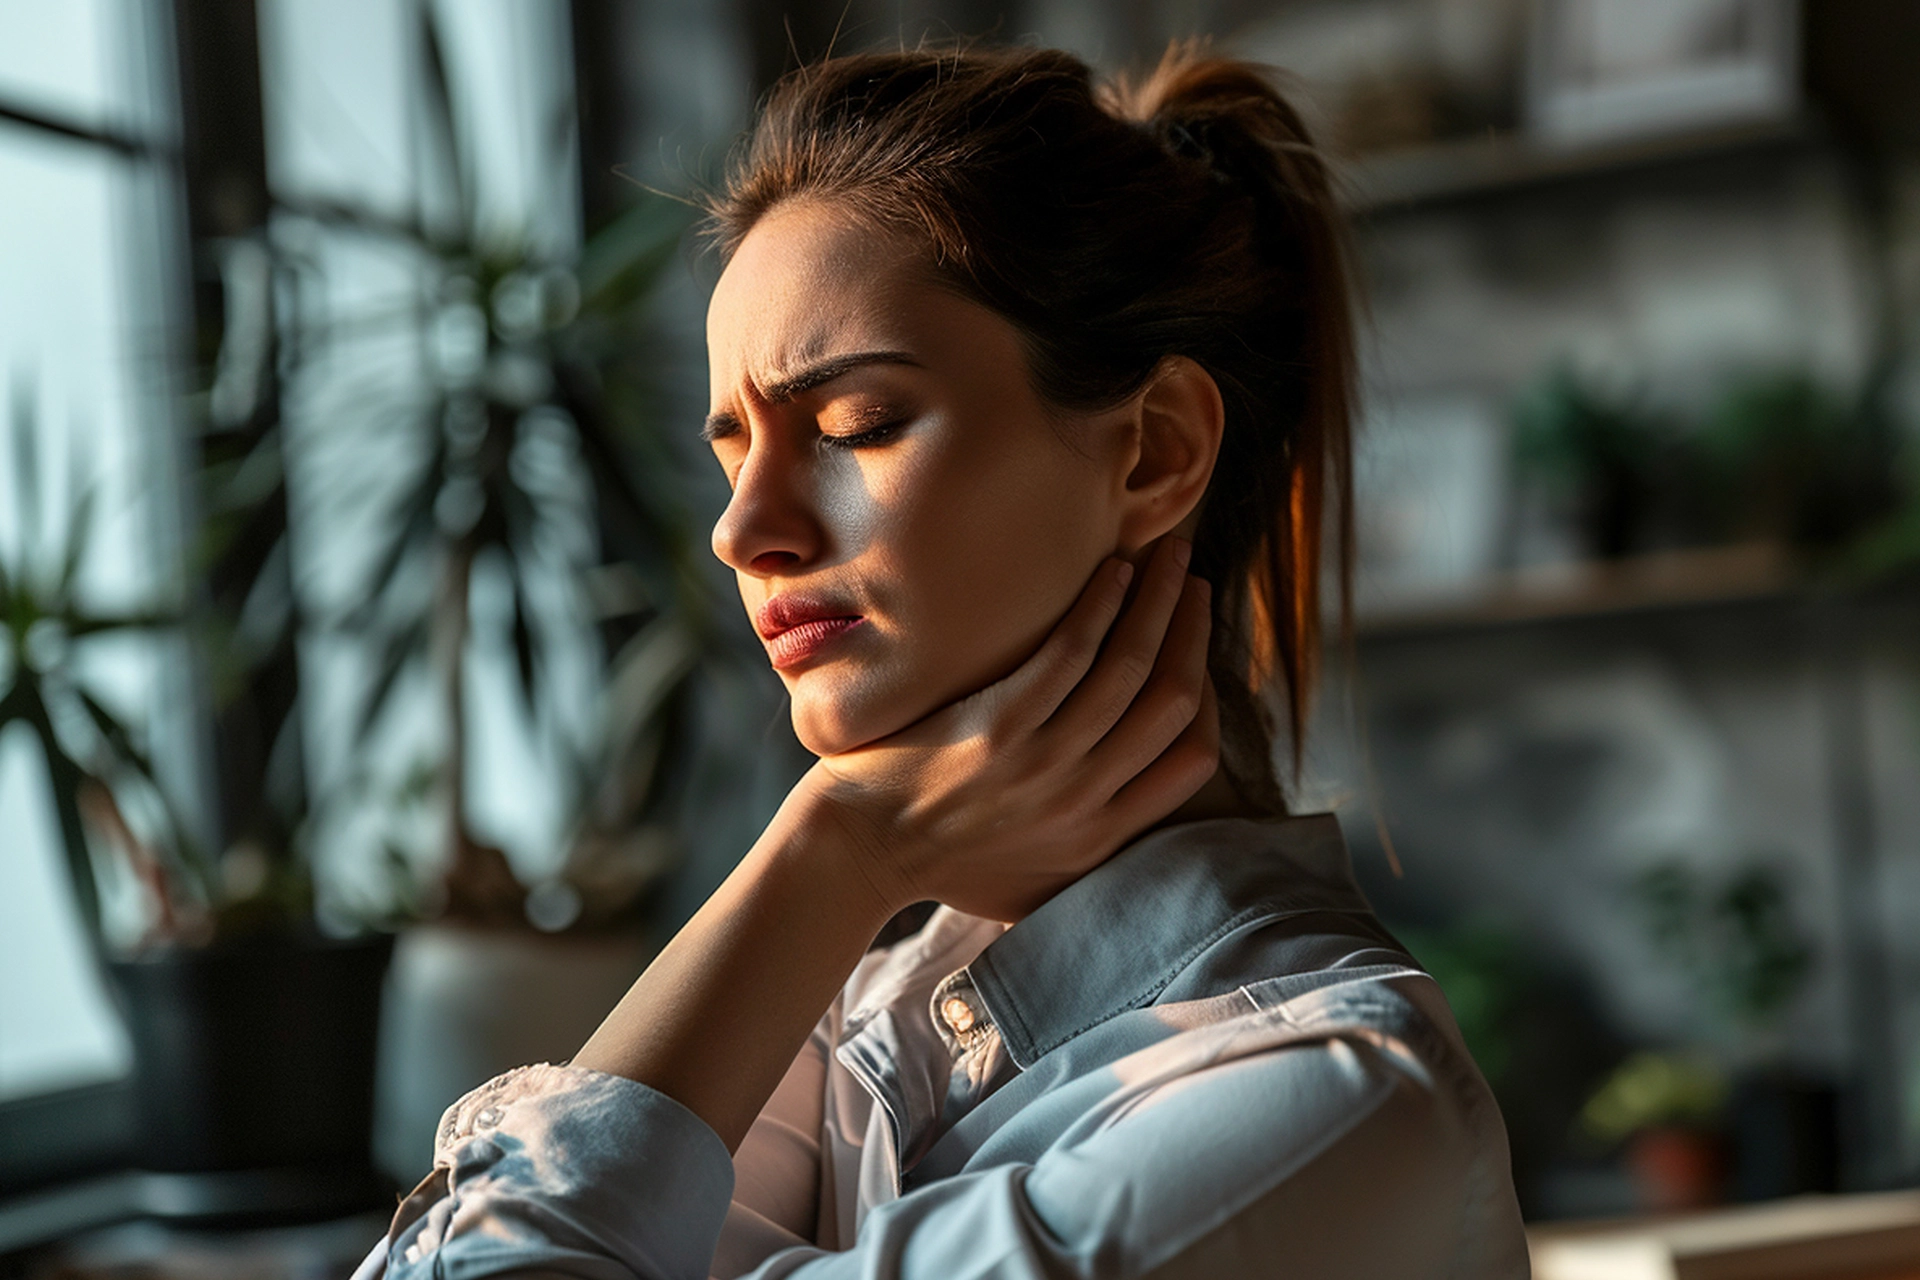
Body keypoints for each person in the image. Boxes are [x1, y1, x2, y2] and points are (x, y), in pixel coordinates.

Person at [354, 41, 1529, 1280]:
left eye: (855, 425)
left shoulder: (1320, 1108)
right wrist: (840, 853)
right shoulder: (864, 1015)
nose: (743, 529)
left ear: (1154, 451)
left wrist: (833, 851)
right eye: (732, 447)